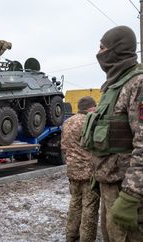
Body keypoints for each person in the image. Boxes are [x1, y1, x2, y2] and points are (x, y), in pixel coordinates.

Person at [81, 26, 143, 241]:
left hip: (129, 194)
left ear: (116, 50)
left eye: (102, 48)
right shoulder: (113, 88)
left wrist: (130, 196)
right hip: (111, 190)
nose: (98, 53)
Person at [61, 96, 100, 242]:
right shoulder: (91, 121)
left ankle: (71, 236)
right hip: (89, 173)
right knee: (89, 207)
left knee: (75, 204)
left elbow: (64, 147)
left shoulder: (68, 122)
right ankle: (86, 239)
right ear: (91, 107)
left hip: (73, 171)